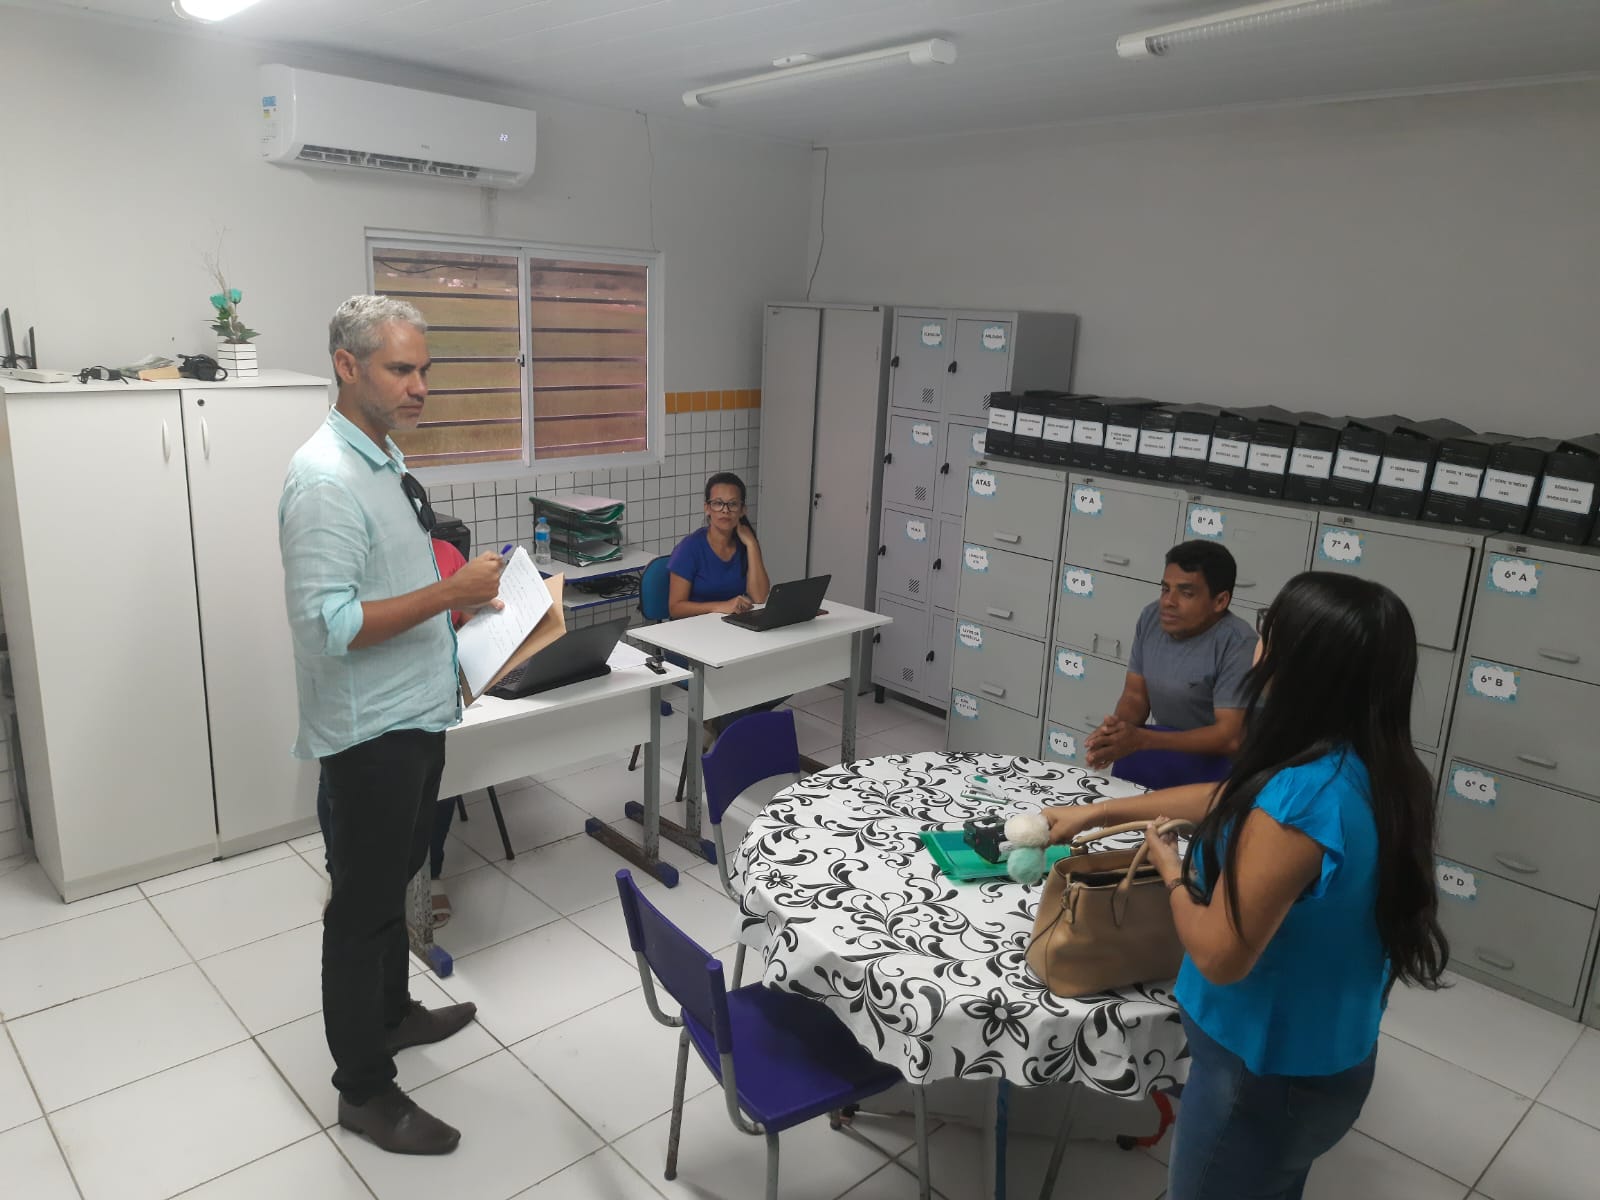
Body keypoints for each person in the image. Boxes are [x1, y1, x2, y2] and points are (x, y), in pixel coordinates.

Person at [1043, 572, 1449, 1199]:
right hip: (1327, 1054)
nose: (1256, 642)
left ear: (1300, 663)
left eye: (1269, 630)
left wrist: (1171, 868)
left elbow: (1219, 954)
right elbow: (1234, 796)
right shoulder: (1372, 765)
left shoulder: (1304, 799)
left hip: (1261, 1075)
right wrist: (1099, 813)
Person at [280, 294, 506, 1156]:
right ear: (348, 366)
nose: (419, 387)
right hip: (369, 735)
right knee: (363, 911)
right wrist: (451, 592)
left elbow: (391, 590)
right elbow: (330, 625)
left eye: (424, 370)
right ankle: (365, 1092)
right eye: (400, 370)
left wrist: (464, 628)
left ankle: (393, 1013)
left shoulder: (381, 458)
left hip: (416, 713)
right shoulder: (324, 480)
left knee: (397, 879)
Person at [315, 532, 468, 927]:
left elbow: (467, 622)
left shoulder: (446, 555)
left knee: (443, 775)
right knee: (338, 783)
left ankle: (431, 872)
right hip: (362, 703)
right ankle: (341, 874)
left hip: (430, 701)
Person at [1085, 541, 1255, 788]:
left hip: (1215, 771)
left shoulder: (1239, 643)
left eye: (1186, 593)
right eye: (1165, 589)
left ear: (1220, 601)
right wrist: (1115, 733)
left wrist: (1143, 740)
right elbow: (1135, 696)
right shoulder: (1151, 618)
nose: (1168, 602)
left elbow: (1230, 737)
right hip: (1163, 752)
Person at [667, 472, 770, 618]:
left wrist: (752, 545)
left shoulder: (744, 545)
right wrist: (721, 606)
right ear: (707, 508)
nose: (725, 510)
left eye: (733, 504)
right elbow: (675, 609)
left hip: (732, 624)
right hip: (695, 627)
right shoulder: (689, 548)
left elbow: (760, 597)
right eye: (718, 503)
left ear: (742, 510)